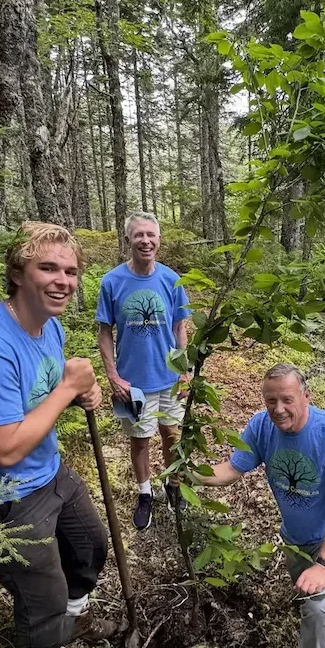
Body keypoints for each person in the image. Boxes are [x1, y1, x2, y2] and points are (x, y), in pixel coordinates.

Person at [0, 222, 115, 648]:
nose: (63, 281)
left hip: (46, 469)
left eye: (71, 271)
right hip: (1, 493)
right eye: (48, 268)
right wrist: (68, 388)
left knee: (89, 548)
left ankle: (74, 620)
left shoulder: (49, 327)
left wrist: (81, 394)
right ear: (17, 274)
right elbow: (3, 450)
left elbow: (44, 395)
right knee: (42, 595)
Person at [199, 364, 325, 648]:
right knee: (302, 593)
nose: (278, 409)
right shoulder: (262, 426)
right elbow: (231, 470)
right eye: (270, 400)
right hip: (295, 536)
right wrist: (191, 474)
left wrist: (324, 564)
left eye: (287, 400)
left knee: (318, 603)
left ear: (306, 397)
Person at [96, 211, 191, 530]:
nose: (145, 241)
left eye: (151, 235)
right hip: (132, 383)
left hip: (169, 379)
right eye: (139, 235)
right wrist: (112, 376)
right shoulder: (112, 282)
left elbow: (180, 327)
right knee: (139, 440)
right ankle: (145, 493)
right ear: (128, 239)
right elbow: (104, 331)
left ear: (159, 239)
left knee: (172, 435)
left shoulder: (171, 280)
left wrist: (184, 370)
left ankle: (173, 484)